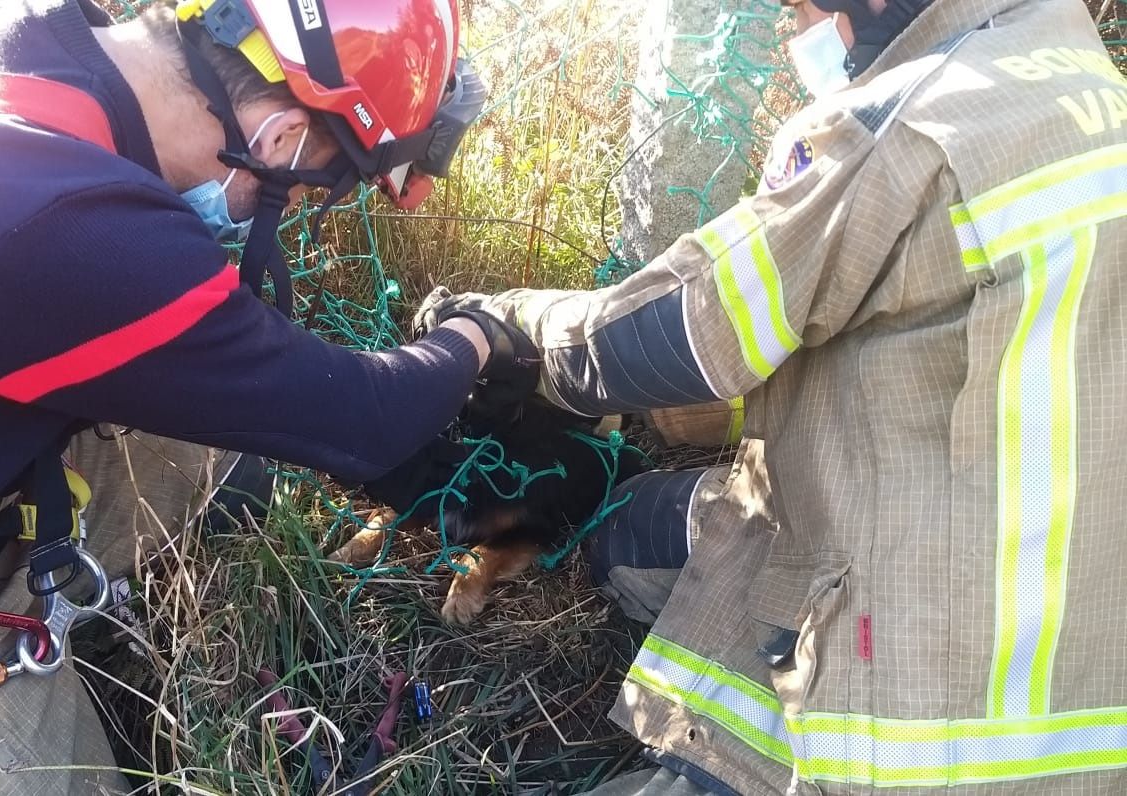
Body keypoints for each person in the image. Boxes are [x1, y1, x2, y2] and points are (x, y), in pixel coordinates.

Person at [0, 0, 537, 791]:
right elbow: (363, 420)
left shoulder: (21, 39)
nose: (309, 208)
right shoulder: (65, 230)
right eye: (319, 187)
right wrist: (479, 334)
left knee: (231, 459)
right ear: (281, 136)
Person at [415, 0, 1127, 792]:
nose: (795, 33)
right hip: (1093, 661)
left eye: (801, 9)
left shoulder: (904, 129)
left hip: (919, 723)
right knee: (630, 520)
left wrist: (500, 327)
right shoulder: (1083, 78)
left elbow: (678, 333)